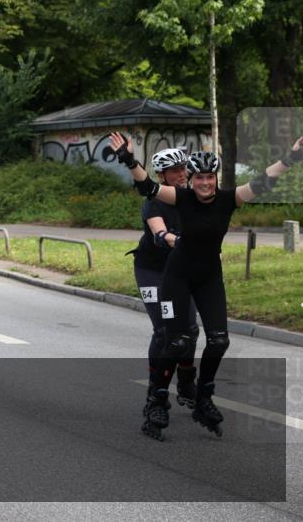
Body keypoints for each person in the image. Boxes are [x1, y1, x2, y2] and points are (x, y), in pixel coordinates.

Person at [109, 132, 303, 439]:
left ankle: (203, 398)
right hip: (175, 276)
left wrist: (293, 156)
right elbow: (147, 187)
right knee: (174, 340)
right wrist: (129, 160)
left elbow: (263, 181)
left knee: (219, 341)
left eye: (209, 177)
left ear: (215, 178)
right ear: (192, 179)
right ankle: (157, 401)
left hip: (209, 277)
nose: (204, 183)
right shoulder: (181, 197)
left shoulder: (229, 200)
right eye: (198, 177)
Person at [125, 148, 198, 436]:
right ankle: (155, 395)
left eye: (183, 169)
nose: (181, 174)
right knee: (165, 332)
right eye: (174, 171)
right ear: (162, 176)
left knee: (190, 330)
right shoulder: (153, 203)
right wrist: (173, 239)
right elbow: (159, 233)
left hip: (182, 272)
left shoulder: (195, 199)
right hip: (152, 272)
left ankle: (187, 379)